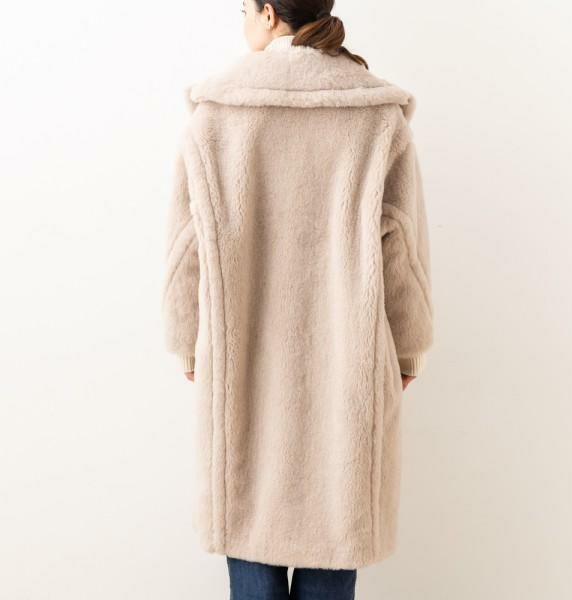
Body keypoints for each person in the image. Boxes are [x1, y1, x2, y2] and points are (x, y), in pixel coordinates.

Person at [161, 0, 434, 597]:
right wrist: (407, 349)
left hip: (242, 366)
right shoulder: (375, 116)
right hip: (348, 372)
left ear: (267, 14)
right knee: (337, 522)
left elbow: (187, 247)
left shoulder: (216, 114)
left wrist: (187, 341)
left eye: (244, 9)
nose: (243, 21)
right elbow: (402, 248)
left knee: (247, 518)